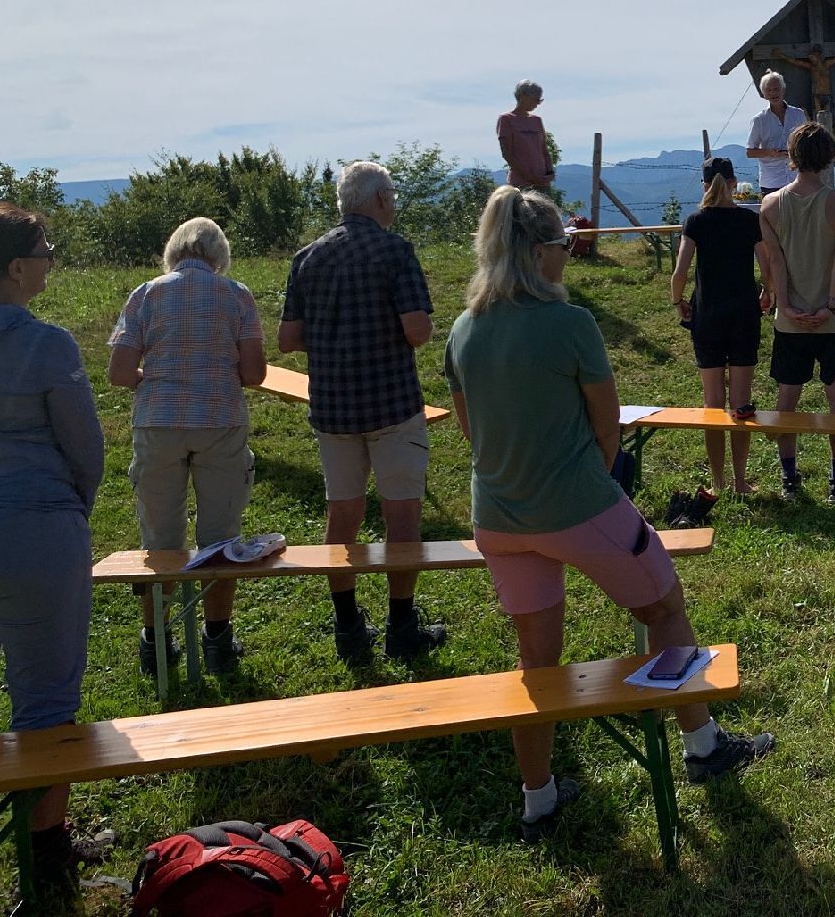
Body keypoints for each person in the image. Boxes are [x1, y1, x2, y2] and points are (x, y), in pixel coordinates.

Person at [444, 186, 774, 840]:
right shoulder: (569, 323)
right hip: (575, 504)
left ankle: (539, 800)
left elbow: (470, 433)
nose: (569, 256)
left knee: (536, 663)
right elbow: (606, 431)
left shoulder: (464, 329)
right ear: (541, 252)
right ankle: (703, 746)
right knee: (664, 606)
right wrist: (587, 490)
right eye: (565, 245)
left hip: (498, 518)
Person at [0, 204, 111, 892]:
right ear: (16, 268)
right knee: (48, 702)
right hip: (34, 530)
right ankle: (47, 856)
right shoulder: (47, 344)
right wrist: (67, 513)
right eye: (44, 250)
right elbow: (85, 450)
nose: (52, 259)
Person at [278, 161, 447, 664]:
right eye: (391, 195)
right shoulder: (395, 251)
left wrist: (333, 337)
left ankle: (348, 627)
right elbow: (417, 330)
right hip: (392, 404)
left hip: (333, 409)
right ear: (379, 199)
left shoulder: (307, 257)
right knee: (403, 517)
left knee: (342, 516)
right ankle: (401, 625)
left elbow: (287, 339)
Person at [107, 217, 266, 675]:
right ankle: (217, 639)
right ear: (220, 255)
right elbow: (254, 374)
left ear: (173, 251)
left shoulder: (146, 294)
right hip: (220, 422)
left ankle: (156, 642)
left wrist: (153, 378)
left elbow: (119, 372)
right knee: (221, 538)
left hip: (157, 423)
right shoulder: (237, 295)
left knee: (159, 540)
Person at [759, 121, 835, 499]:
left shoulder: (770, 205)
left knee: (787, 398)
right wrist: (830, 305)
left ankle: (789, 480)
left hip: (791, 320)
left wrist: (785, 306)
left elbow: (776, 263)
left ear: (792, 156)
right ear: (830, 157)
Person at [670, 157, 776, 494]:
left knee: (712, 402)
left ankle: (717, 481)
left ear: (704, 186)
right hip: (744, 314)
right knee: (741, 403)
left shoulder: (696, 221)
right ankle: (740, 481)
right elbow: (766, 265)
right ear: (733, 184)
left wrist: (678, 301)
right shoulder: (748, 219)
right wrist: (767, 292)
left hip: (708, 316)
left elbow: (680, 272)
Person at [745, 71, 808, 196]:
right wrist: (770, 153)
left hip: (797, 179)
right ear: (764, 94)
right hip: (771, 181)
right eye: (769, 90)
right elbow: (749, 152)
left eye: (776, 89)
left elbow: (807, 142)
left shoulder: (798, 114)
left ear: (783, 90)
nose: (773, 93)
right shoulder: (759, 120)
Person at [497, 79, 556, 193]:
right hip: (520, 183)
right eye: (536, 99)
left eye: (540, 100)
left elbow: (544, 150)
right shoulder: (506, 119)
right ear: (523, 96)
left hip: (542, 182)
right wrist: (528, 177)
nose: (537, 104)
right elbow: (507, 153)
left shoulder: (537, 121)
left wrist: (550, 172)